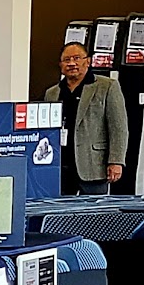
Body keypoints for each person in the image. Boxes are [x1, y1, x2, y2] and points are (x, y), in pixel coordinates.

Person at [42, 41, 129, 195]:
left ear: (88, 61)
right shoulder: (52, 93)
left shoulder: (107, 86)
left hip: (93, 164)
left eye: (77, 58)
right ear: (60, 65)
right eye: (67, 60)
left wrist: (116, 161)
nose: (72, 63)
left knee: (94, 210)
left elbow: (118, 128)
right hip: (60, 166)